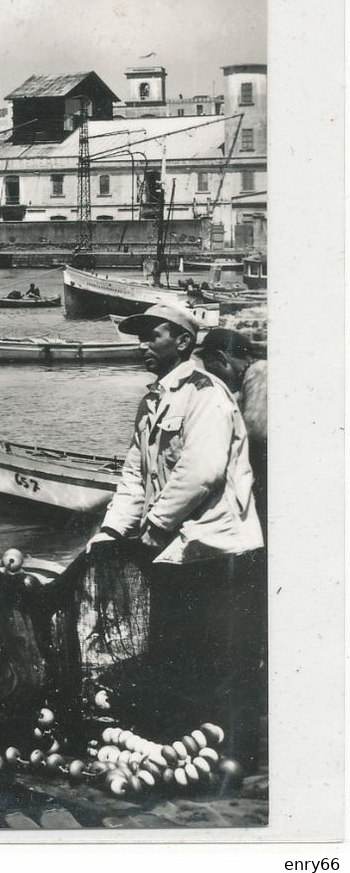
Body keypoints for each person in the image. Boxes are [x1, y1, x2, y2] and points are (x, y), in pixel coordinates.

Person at [90, 302, 265, 768]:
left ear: (184, 342)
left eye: (155, 336)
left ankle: (231, 755)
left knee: (217, 659)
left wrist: (152, 530)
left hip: (214, 549)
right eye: (141, 337)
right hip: (174, 550)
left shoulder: (206, 394)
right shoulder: (153, 400)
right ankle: (187, 749)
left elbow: (200, 474)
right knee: (178, 654)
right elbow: (134, 473)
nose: (143, 345)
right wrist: (110, 532)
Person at [196, 327, 268, 529]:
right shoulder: (247, 380)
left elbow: (255, 432)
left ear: (221, 358)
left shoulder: (260, 372)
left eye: (211, 368)